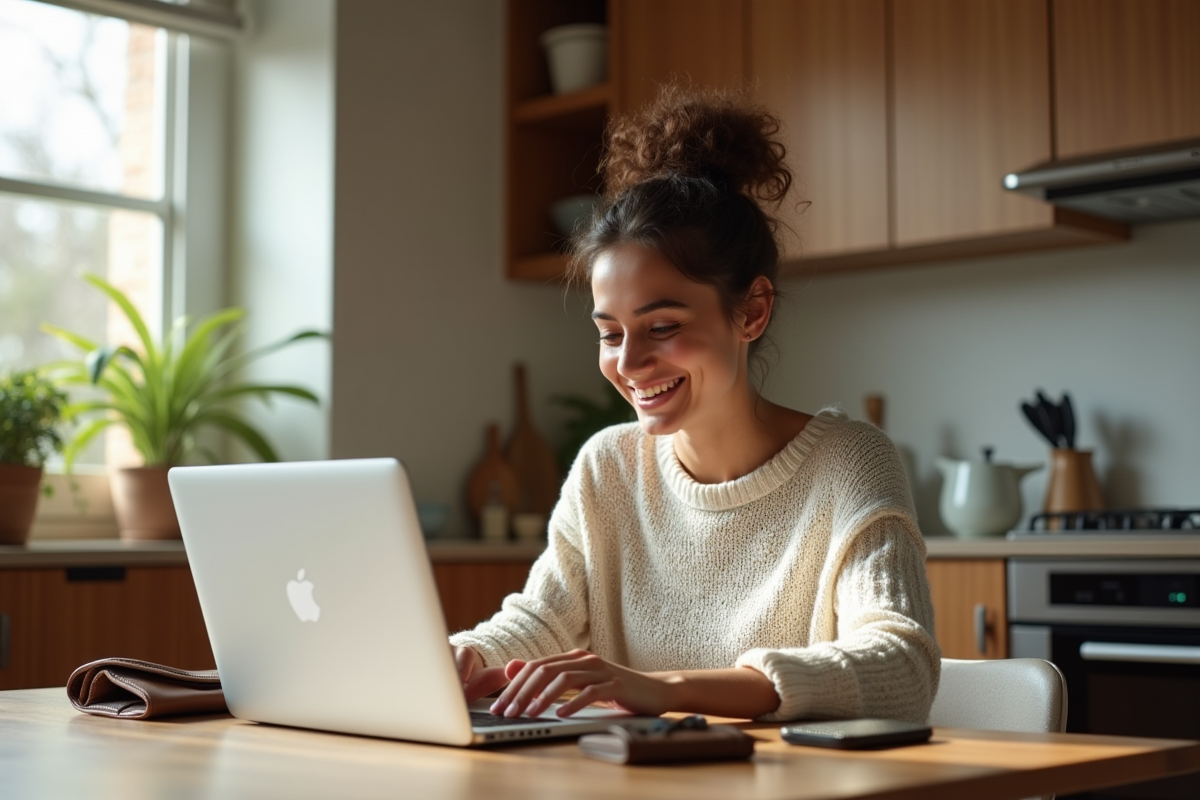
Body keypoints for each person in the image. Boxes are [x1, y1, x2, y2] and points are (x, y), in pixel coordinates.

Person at [451, 86, 940, 723]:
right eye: (609, 333)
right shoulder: (609, 466)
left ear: (751, 311)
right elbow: (539, 624)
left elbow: (901, 667)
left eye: (662, 328)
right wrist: (457, 658)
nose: (627, 365)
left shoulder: (849, 464)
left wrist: (669, 689)